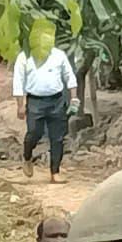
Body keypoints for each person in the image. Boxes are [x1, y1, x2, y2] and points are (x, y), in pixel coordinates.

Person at [11, 28, 79, 174]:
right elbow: (18, 81)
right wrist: (20, 105)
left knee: (58, 138)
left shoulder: (59, 55)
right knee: (34, 133)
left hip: (57, 100)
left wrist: (74, 97)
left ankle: (55, 172)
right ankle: (27, 157)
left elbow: (69, 76)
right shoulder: (25, 57)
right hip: (35, 101)